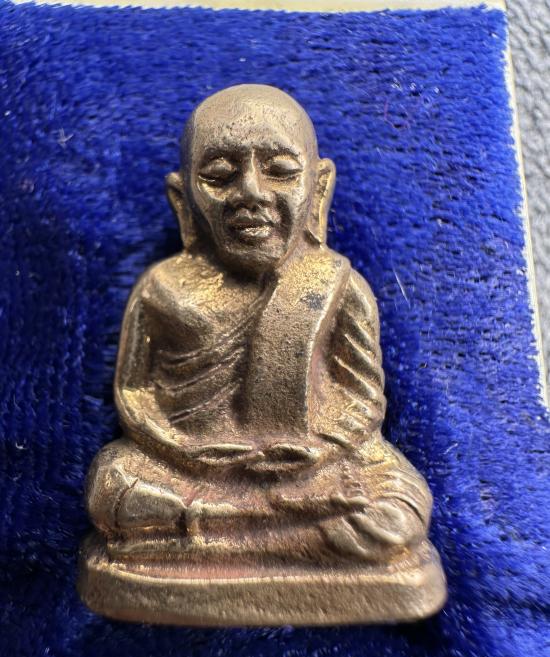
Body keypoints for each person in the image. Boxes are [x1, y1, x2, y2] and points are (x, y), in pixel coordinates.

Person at [86, 84, 432, 565]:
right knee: (111, 483)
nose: (250, 191)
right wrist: (184, 450)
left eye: (281, 172)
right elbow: (134, 394)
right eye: (219, 176)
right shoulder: (160, 289)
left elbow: (363, 397)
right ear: (182, 198)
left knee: (396, 507)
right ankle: (271, 525)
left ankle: (214, 527)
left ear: (318, 187)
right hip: (188, 469)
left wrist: (323, 449)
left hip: (312, 469)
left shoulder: (338, 286)